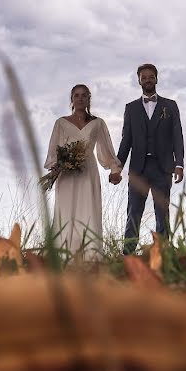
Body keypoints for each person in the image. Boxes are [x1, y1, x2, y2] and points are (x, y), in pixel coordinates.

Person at [113, 63, 184, 255]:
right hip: (138, 169)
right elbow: (126, 140)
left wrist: (179, 164)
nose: (147, 79)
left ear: (156, 79)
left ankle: (163, 254)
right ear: (139, 81)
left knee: (162, 213)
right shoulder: (131, 108)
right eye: (143, 77)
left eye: (150, 76)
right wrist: (117, 168)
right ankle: (127, 255)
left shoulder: (170, 106)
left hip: (163, 168)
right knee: (133, 213)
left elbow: (177, 135)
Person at [44, 84, 122, 258]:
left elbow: (106, 150)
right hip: (66, 173)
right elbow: (53, 151)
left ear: (89, 99)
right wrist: (55, 168)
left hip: (88, 172)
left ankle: (90, 256)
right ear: (71, 99)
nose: (80, 98)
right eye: (76, 95)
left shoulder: (98, 123)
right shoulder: (61, 123)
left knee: (88, 209)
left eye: (84, 95)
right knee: (65, 211)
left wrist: (114, 169)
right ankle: (64, 256)